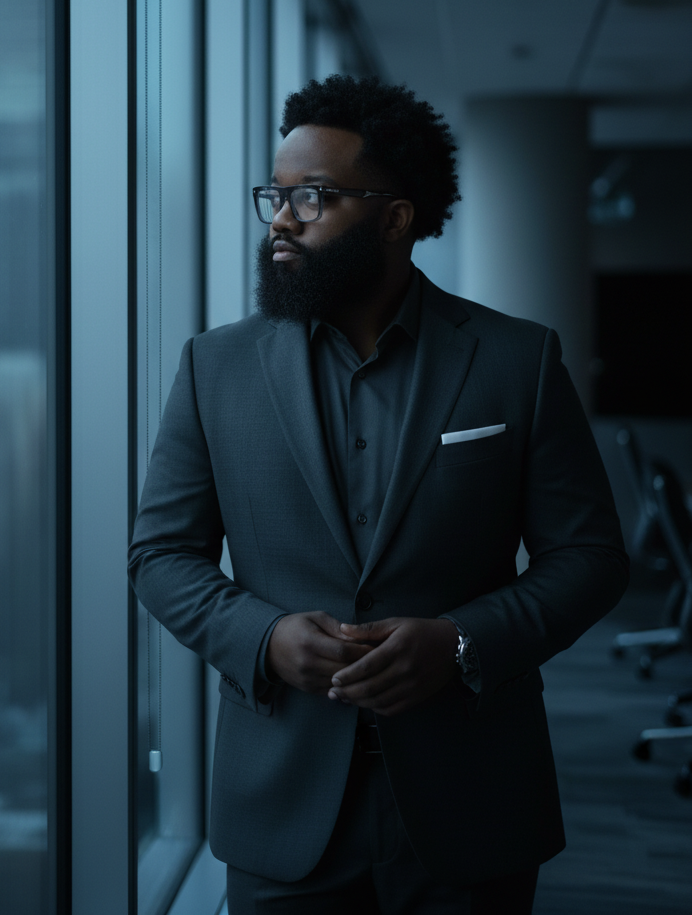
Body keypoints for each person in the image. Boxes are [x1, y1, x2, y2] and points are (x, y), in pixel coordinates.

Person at [128, 75, 628, 914]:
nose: (281, 220)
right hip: (279, 802)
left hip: (470, 798)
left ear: (396, 218)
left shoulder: (517, 360)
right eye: (275, 197)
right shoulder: (213, 368)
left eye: (312, 198)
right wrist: (263, 636)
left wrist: (463, 641)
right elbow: (160, 555)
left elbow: (590, 557)